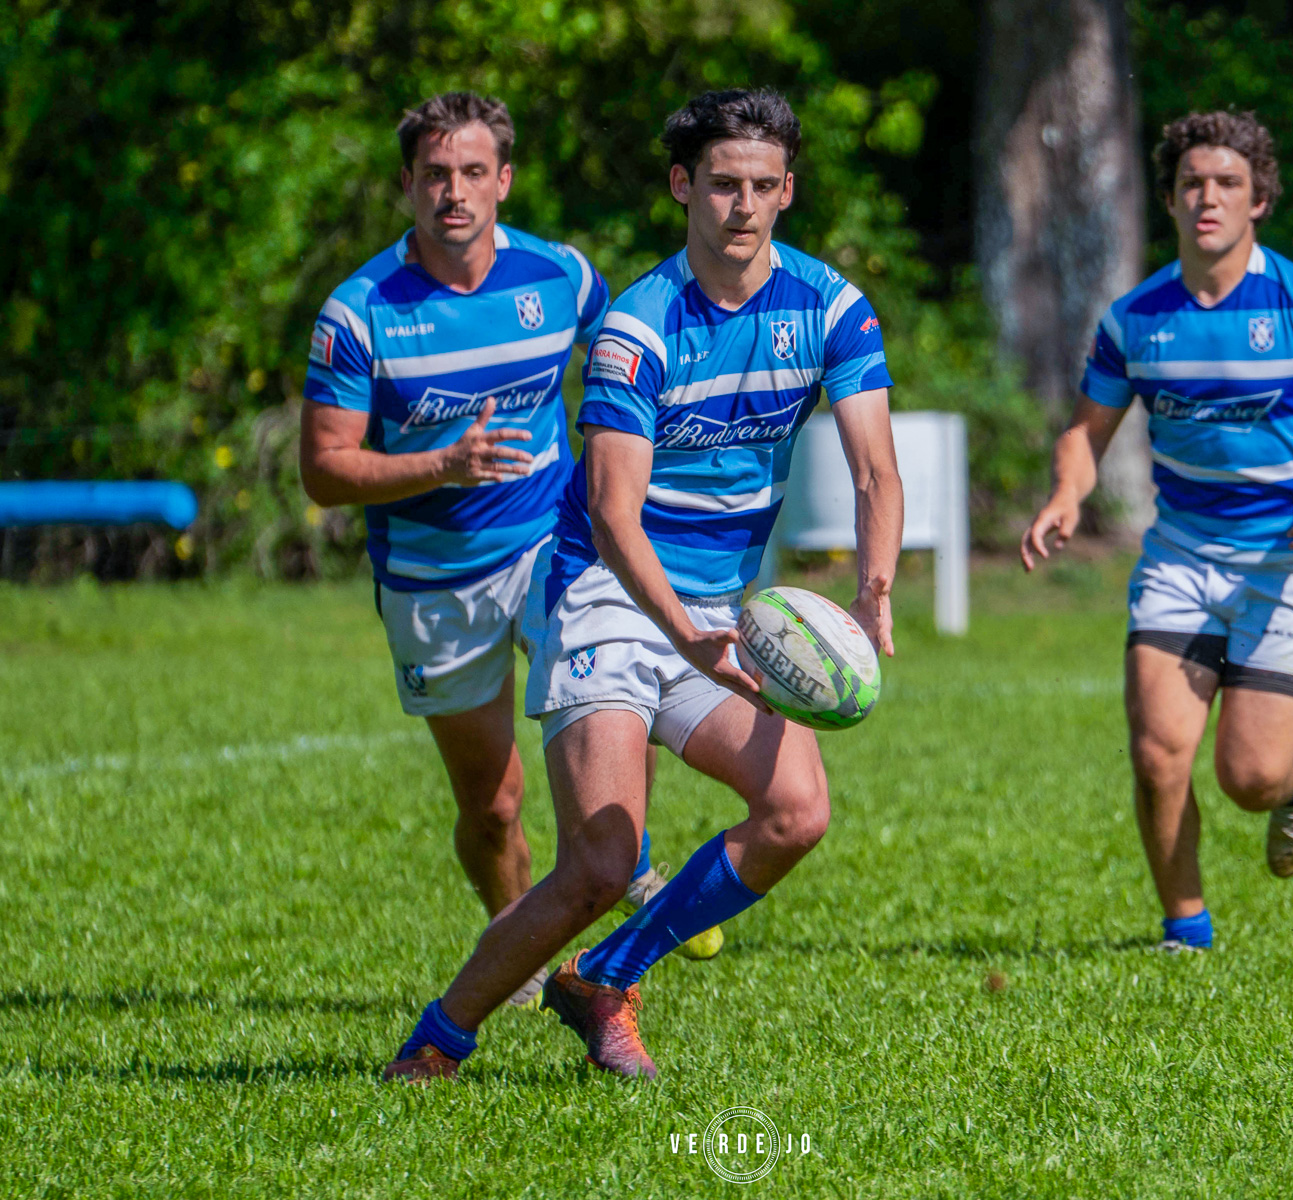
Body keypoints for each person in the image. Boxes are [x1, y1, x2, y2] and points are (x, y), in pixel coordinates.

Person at [383, 87, 903, 1081]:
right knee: (601, 864)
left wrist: (873, 586)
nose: (742, 206)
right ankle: (439, 1038)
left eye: (762, 186)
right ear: (682, 186)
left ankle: (603, 978)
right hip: (609, 600)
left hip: (720, 612)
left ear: (788, 191)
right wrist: (683, 631)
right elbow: (614, 513)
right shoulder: (639, 325)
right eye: (722, 184)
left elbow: (876, 471)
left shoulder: (830, 308)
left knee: (797, 812)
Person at [298, 93, 721, 1015]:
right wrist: (441, 464)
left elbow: (636, 358)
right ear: (408, 184)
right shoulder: (359, 313)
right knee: (492, 807)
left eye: (472, 173)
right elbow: (324, 472)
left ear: (504, 181)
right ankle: (519, 943)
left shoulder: (561, 277)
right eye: (435, 175)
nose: (454, 193)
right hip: (432, 582)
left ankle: (626, 854)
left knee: (621, 695)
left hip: (550, 550)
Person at [1020, 111, 1293, 953]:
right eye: (1192, 183)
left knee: (1250, 776)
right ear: (1168, 199)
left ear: (1258, 199)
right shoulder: (1136, 318)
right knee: (1160, 754)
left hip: (1284, 560)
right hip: (1182, 557)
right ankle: (1184, 931)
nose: (1209, 197)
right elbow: (1087, 431)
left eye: (1228, 183)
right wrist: (1066, 495)